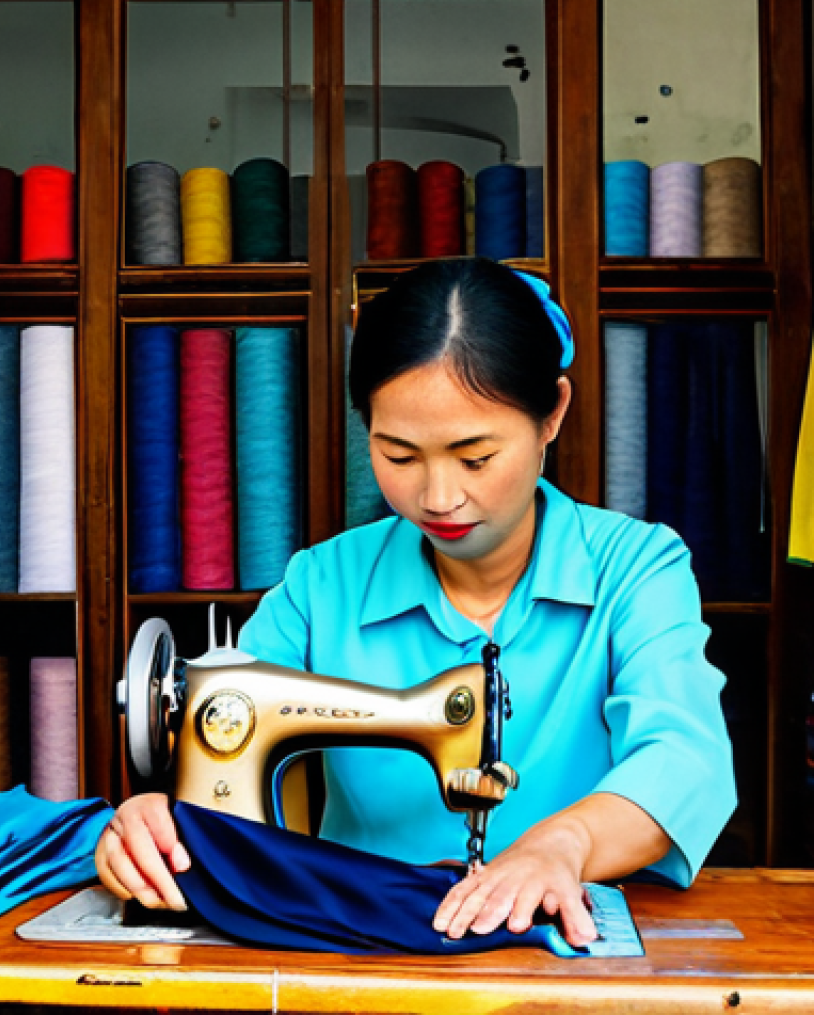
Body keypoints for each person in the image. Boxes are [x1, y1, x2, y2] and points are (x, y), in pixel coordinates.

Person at [97, 257, 736, 948]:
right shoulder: (321, 586)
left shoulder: (636, 569)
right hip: (360, 960)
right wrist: (158, 828)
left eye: (475, 457)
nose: (438, 497)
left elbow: (685, 757)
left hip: (573, 954)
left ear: (552, 413)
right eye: (399, 456)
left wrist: (564, 844)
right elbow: (220, 733)